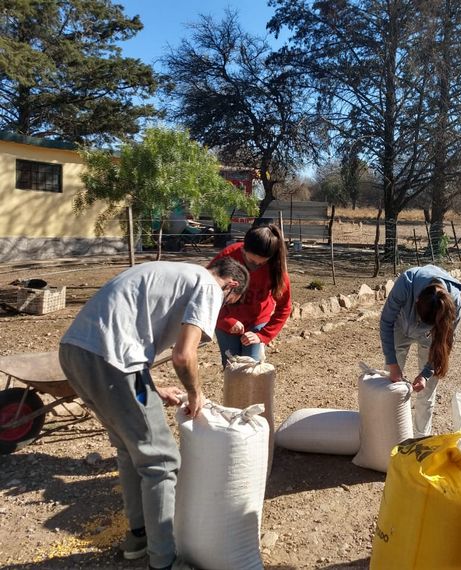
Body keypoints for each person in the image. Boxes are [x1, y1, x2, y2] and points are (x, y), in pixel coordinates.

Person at [58, 258, 249, 570]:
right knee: (161, 462)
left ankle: (139, 537)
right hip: (113, 360)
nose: (223, 309)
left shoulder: (174, 273)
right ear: (231, 286)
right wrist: (194, 391)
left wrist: (152, 387)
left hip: (76, 353)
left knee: (129, 448)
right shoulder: (209, 286)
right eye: (231, 303)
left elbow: (128, 325)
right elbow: (183, 355)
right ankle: (163, 560)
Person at [380, 265, 461, 437]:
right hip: (401, 327)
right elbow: (386, 322)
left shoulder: (454, 304)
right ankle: (388, 435)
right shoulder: (406, 283)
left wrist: (426, 374)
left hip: (432, 339)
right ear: (416, 300)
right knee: (391, 382)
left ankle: (421, 440)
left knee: (426, 392)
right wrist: (392, 363)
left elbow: (444, 344)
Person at [209, 223, 292, 366]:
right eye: (251, 261)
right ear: (243, 248)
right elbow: (206, 294)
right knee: (231, 367)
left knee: (252, 368)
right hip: (226, 321)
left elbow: (284, 307)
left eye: (261, 264)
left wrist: (263, 335)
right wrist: (225, 320)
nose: (255, 266)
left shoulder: (276, 267)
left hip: (257, 322)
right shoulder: (227, 257)